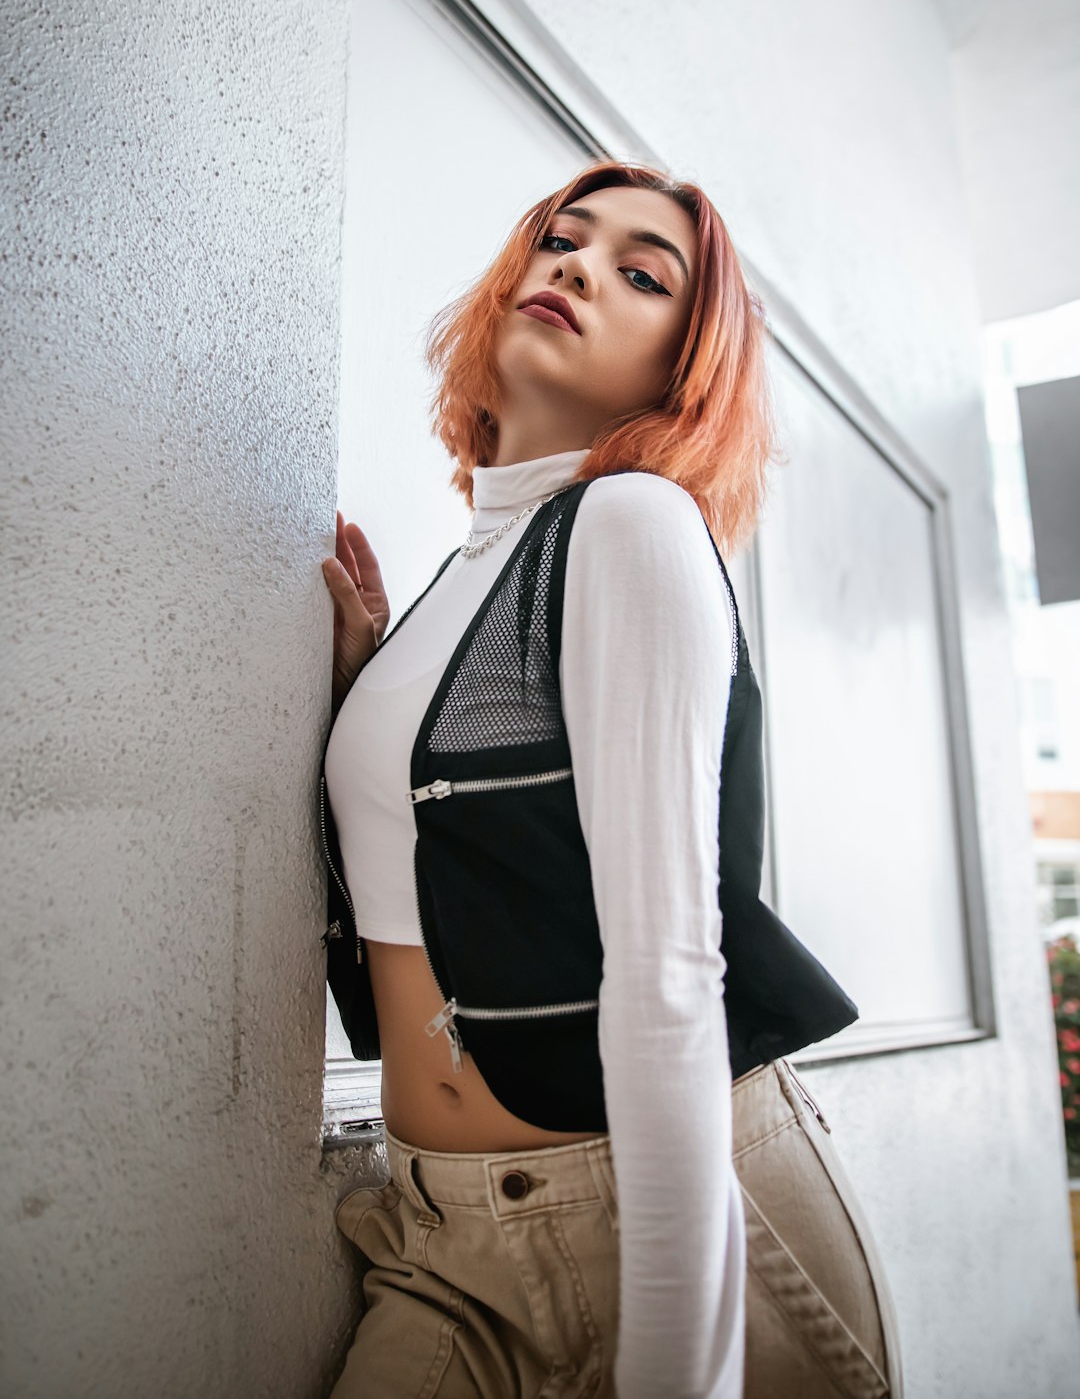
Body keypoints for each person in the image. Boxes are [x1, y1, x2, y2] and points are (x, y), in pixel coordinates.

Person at [318, 159, 905, 1398]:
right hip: (443, 1233)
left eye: (643, 274)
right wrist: (369, 686)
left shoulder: (632, 521)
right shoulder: (469, 575)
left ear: (680, 367)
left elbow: (667, 973)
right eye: (562, 241)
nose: (579, 266)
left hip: (663, 1214)